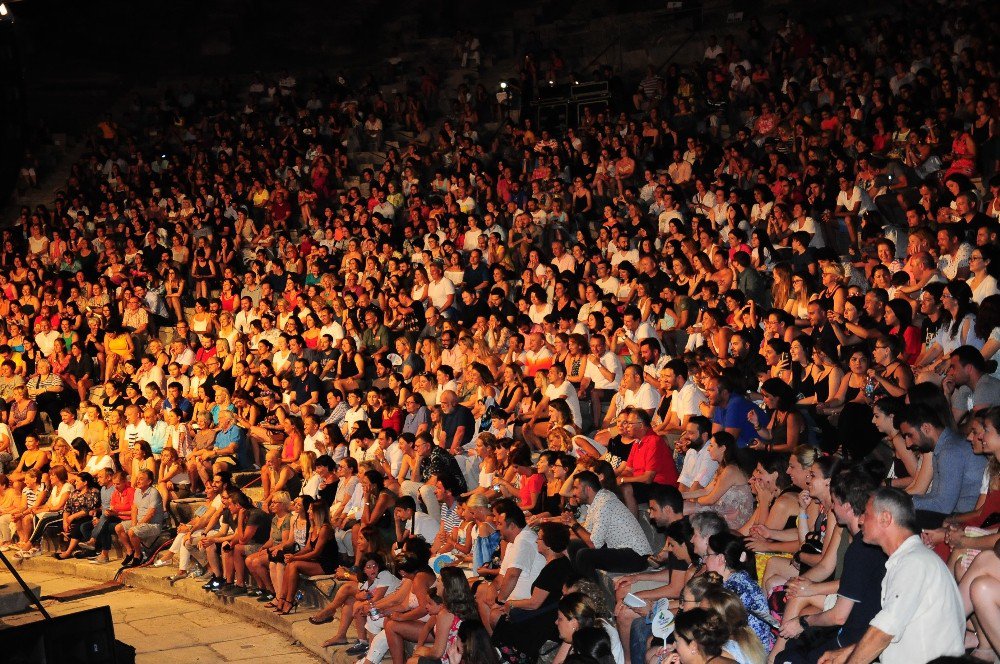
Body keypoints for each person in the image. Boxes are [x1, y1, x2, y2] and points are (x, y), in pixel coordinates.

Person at [817, 488, 964, 664]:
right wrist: (847, 652)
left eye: (866, 514)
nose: (861, 520)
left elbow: (882, 634)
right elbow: (891, 633)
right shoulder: (909, 559)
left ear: (885, 518)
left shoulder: (914, 563)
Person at [565, 470, 653, 578]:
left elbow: (593, 544)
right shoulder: (596, 502)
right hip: (619, 549)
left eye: (576, 488)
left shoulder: (604, 503)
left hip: (636, 555)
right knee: (574, 545)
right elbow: (586, 535)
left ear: (588, 489)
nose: (573, 493)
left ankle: (590, 591)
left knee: (584, 555)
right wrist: (567, 530)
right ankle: (579, 585)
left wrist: (574, 524)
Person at [474, 498, 546, 631]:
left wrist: (499, 601)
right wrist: (493, 588)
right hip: (513, 595)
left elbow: (513, 575)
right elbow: (502, 575)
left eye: (500, 524)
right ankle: (493, 645)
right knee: (483, 591)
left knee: (495, 612)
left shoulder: (524, 539)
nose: (497, 527)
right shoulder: (513, 541)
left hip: (524, 600)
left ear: (512, 525)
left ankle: (496, 645)